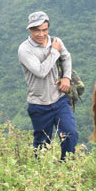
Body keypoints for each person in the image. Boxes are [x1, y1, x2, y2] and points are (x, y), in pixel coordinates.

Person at [18, 10, 79, 160]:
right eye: (36, 30)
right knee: (42, 145)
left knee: (71, 134)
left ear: (48, 28)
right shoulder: (24, 50)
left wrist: (66, 77)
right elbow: (40, 71)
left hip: (59, 100)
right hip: (39, 104)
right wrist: (53, 52)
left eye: (44, 30)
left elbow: (67, 58)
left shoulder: (56, 41)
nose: (41, 34)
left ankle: (67, 168)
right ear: (30, 29)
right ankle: (41, 174)